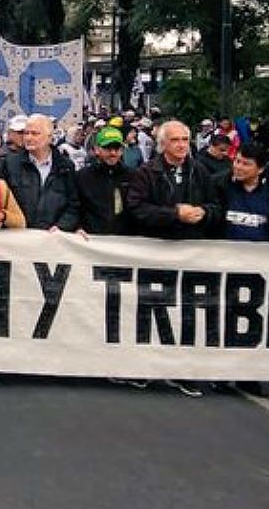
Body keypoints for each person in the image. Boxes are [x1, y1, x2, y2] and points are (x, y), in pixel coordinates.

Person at [125, 121, 220, 398]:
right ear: (163, 143)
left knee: (186, 313)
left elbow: (216, 206)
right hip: (155, 251)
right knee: (150, 312)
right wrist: (174, 214)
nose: (181, 144)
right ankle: (143, 368)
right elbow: (137, 209)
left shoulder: (199, 171)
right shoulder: (146, 173)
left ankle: (183, 372)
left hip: (190, 252)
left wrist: (204, 213)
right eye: (176, 139)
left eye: (186, 139)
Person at [0, 114, 81, 232]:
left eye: (35, 133)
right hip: (17, 239)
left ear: (49, 137)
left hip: (52, 241)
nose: (28, 138)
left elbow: (73, 205)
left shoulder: (65, 167)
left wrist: (62, 226)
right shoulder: (9, 164)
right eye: (26, 133)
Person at [76, 127, 134, 235]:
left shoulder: (132, 176)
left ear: (122, 150)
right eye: (108, 148)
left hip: (124, 241)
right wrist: (77, 227)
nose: (113, 153)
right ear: (97, 149)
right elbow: (75, 206)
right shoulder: (83, 176)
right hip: (91, 240)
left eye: (117, 148)